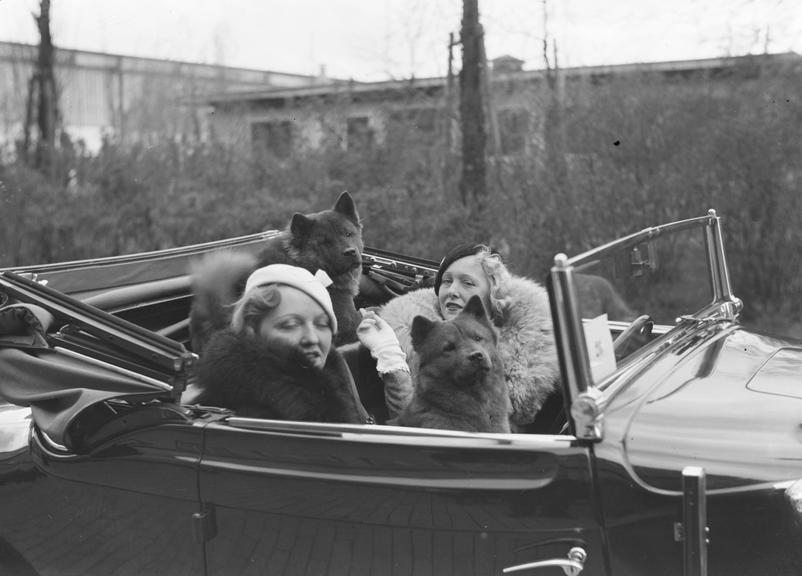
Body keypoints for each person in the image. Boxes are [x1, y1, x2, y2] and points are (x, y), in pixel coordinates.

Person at [376, 243, 561, 431]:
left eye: (468, 283)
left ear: (494, 295)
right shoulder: (392, 339)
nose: (452, 291)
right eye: (446, 281)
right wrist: (392, 361)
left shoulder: (541, 354)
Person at [192, 264, 385, 423]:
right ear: (252, 330)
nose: (312, 338)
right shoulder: (252, 418)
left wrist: (390, 358)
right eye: (291, 325)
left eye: (322, 324)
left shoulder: (337, 378)